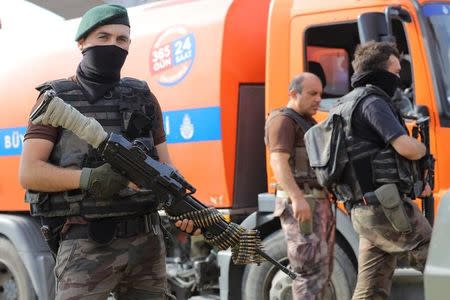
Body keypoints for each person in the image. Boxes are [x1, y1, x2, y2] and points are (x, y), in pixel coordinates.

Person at [19, 4, 198, 300]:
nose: (114, 46)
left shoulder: (142, 96)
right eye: (103, 37)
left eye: (122, 39)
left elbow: (166, 168)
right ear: (82, 43)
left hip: (147, 243)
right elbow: (29, 173)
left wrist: (184, 208)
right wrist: (88, 179)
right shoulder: (57, 99)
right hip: (86, 243)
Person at [336, 41, 432, 299]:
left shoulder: (344, 104)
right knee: (437, 256)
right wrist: (423, 150)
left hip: (364, 211)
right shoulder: (372, 102)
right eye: (396, 71)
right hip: (386, 209)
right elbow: (405, 148)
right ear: (380, 72)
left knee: (371, 288)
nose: (399, 77)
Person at [265, 72, 335, 300]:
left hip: (318, 202)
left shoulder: (307, 122)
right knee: (308, 272)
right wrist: (297, 198)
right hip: (304, 204)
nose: (318, 99)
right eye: (312, 93)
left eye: (320, 94)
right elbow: (278, 161)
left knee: (322, 272)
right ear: (293, 94)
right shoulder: (282, 121)